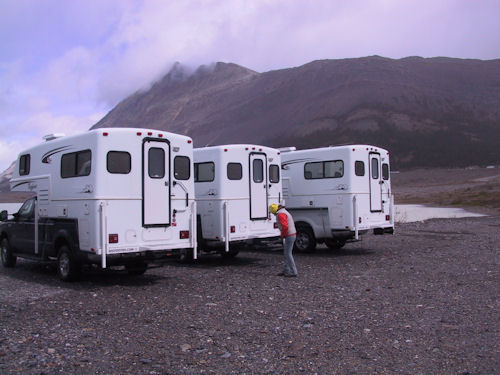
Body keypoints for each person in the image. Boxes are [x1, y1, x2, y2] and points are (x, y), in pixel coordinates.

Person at [269, 203, 297, 277]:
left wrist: (283, 235)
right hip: (292, 234)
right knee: (286, 253)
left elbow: (285, 226)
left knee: (288, 254)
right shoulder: (284, 211)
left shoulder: (280, 214)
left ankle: (293, 272)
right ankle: (286, 270)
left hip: (289, 235)